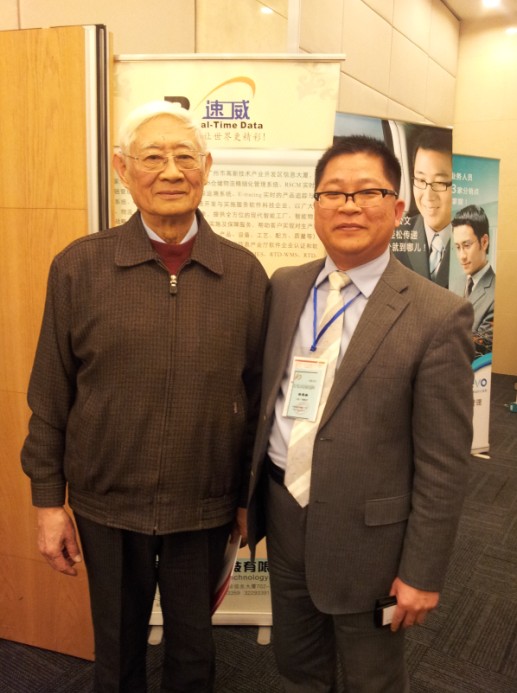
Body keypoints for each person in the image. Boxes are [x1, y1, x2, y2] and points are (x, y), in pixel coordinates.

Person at [21, 101, 269, 692]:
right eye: (153, 157)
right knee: (116, 651)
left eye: (185, 156)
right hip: (107, 506)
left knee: (195, 653)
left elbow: (259, 402)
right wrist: (49, 503)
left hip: (204, 508)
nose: (171, 171)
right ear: (122, 169)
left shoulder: (243, 274)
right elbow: (51, 395)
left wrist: (247, 498)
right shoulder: (79, 267)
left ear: (207, 167)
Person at [247, 136, 474, 692]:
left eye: (367, 192)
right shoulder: (286, 286)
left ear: (397, 209)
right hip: (285, 515)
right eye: (333, 193)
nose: (348, 206)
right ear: (316, 205)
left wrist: (422, 571)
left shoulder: (438, 314)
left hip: (371, 541)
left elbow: (444, 464)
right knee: (297, 667)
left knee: (373, 679)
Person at [393, 128, 453, 287]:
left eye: (439, 182)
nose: (428, 196)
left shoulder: (477, 243)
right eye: (420, 180)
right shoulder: (393, 238)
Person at [451, 205, 495, 355]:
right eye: (457, 247)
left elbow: (482, 348)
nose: (461, 256)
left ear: (484, 242)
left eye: (467, 245)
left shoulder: (498, 294)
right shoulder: (455, 284)